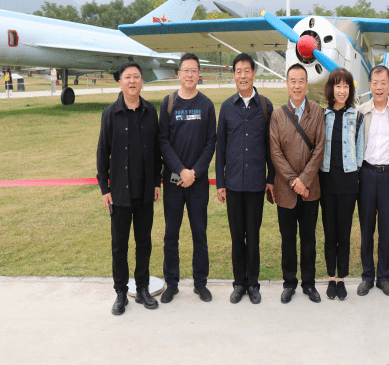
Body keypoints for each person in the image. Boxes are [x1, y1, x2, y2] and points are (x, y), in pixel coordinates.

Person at [96, 61, 162, 315]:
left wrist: (156, 182)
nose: (132, 81)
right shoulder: (110, 114)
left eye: (136, 76)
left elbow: (156, 151)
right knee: (119, 246)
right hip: (119, 194)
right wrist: (105, 189)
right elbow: (102, 154)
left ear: (142, 82)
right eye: (127, 77)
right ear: (120, 82)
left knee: (143, 243)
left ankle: (142, 288)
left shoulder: (150, 111)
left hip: (145, 192)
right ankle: (121, 292)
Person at [216, 53, 275, 305]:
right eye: (238, 71)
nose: (243, 76)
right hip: (233, 184)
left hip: (255, 184)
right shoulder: (227, 107)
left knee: (253, 235)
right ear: (234, 76)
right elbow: (220, 147)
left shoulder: (266, 106)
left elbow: (271, 147)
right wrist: (220, 183)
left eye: (247, 71)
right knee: (236, 236)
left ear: (254, 74)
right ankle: (239, 283)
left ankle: (253, 284)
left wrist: (271, 178)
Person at [159, 53, 216, 304]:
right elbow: (162, 141)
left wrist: (194, 172)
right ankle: (171, 283)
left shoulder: (206, 105)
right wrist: (180, 170)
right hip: (173, 182)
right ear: (179, 74)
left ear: (199, 74)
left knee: (199, 233)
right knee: (171, 234)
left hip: (198, 182)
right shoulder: (168, 102)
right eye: (186, 70)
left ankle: (200, 283)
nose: (190, 75)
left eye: (194, 70)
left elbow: (211, 143)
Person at [270, 63, 325, 304]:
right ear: (286, 84)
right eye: (292, 81)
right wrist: (294, 181)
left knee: (309, 239)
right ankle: (289, 283)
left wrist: (304, 180)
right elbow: (275, 153)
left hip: (310, 190)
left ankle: (309, 283)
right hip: (286, 190)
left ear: (306, 84)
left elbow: (320, 148)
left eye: (301, 81)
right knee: (288, 239)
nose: (297, 86)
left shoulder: (317, 112)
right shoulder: (277, 115)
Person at [356, 65, 389, 298]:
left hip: (388, 176)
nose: (379, 87)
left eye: (383, 83)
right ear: (369, 85)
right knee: (366, 229)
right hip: (366, 175)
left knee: (385, 230)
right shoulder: (361, 112)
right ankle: (367, 276)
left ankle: (383, 277)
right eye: (375, 83)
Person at [319, 68, 364, 301]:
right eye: (338, 86)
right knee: (330, 233)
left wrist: (355, 175)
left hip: (348, 184)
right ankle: (330, 277)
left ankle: (342, 279)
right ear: (331, 89)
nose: (342, 90)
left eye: (346, 86)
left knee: (344, 234)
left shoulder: (357, 116)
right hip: (326, 182)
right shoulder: (322, 116)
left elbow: (359, 151)